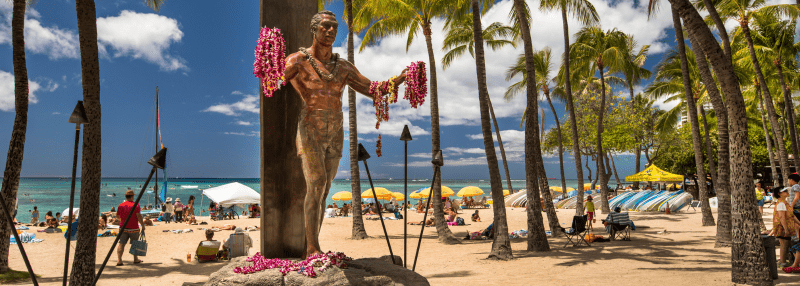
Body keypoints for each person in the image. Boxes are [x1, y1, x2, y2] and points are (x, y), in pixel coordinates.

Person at [282, 10, 407, 256]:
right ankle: (311, 248)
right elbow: (273, 80)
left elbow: (373, 89)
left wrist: (400, 80)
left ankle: (313, 245)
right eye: (325, 26)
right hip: (310, 127)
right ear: (314, 29)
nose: (330, 31)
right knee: (316, 183)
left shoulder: (343, 67)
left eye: (334, 28)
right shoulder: (298, 60)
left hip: (336, 129)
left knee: (325, 189)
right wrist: (269, 56)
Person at [772, 187, 800, 268]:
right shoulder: (781, 203)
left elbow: (792, 215)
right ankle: (782, 262)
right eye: (784, 191)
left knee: (785, 244)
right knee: (784, 245)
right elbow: (781, 217)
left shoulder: (785, 203)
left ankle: (782, 262)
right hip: (782, 227)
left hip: (786, 227)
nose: (787, 192)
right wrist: (786, 229)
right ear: (779, 194)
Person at [116, 189, 145, 266]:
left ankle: (119, 260)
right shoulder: (136, 205)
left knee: (121, 244)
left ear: (126, 196)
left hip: (123, 227)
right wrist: (142, 225)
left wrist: (123, 220)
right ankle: (135, 259)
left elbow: (118, 217)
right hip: (134, 228)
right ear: (132, 196)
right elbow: (138, 216)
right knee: (135, 244)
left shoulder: (120, 205)